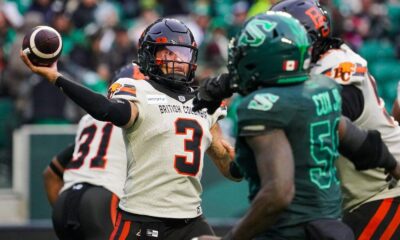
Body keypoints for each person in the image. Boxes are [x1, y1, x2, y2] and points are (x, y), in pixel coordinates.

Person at [22, 18, 241, 240]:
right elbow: (107, 110)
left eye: (181, 54)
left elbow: (229, 167)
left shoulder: (205, 103)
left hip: (191, 220)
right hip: (142, 218)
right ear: (149, 56)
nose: (176, 60)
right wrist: (57, 78)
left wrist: (243, 162)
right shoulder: (138, 89)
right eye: (167, 53)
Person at [192, 11, 400, 240]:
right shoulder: (323, 90)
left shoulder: (263, 107)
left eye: (246, 54)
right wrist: (393, 165)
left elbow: (278, 193)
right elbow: (361, 142)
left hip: (291, 230)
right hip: (331, 226)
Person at [269, 0, 400, 238]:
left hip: (385, 191)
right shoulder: (315, 67)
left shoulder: (337, 68)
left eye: (281, 40)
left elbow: (329, 126)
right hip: (363, 197)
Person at [43, 114, 127, 240]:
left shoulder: (88, 118)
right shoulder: (139, 115)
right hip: (101, 201)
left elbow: (50, 174)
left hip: (65, 202)